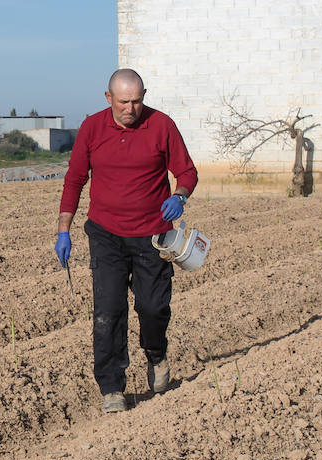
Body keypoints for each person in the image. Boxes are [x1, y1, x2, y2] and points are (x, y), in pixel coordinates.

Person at [55, 68, 198, 413]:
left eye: (137, 101)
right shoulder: (92, 128)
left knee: (152, 307)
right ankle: (112, 388)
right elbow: (75, 179)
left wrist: (179, 195)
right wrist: (64, 228)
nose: (131, 109)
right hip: (106, 235)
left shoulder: (162, 125)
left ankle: (157, 354)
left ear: (144, 95)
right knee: (108, 311)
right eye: (123, 102)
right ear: (108, 99)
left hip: (153, 234)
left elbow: (188, 172)